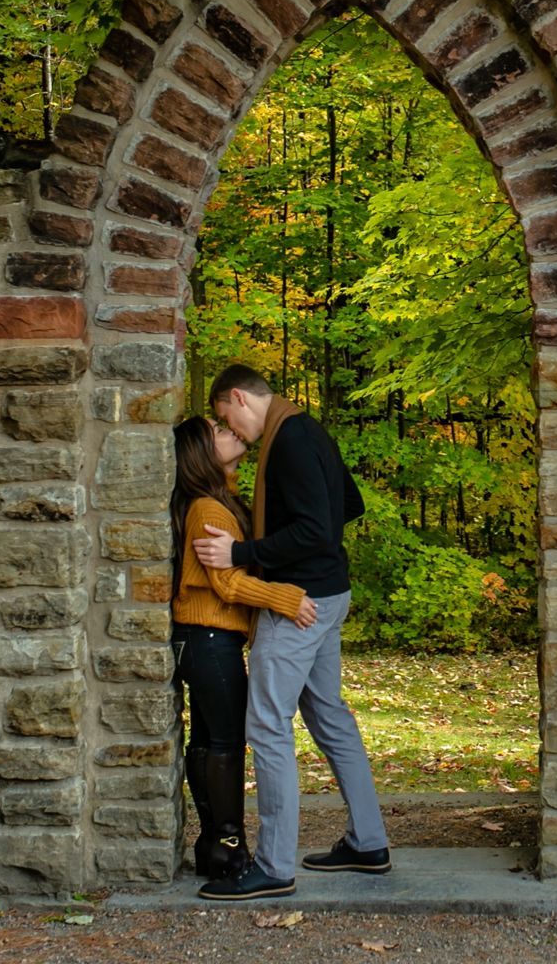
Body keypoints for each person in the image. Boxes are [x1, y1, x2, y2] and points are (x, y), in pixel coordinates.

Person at [192, 363, 390, 901]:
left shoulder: (287, 443)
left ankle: (275, 867)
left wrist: (243, 552)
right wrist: (316, 553)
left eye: (223, 414)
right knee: (329, 714)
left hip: (299, 603)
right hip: (329, 593)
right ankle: (368, 842)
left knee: (267, 725)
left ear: (237, 396)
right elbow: (350, 505)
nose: (227, 426)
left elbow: (315, 527)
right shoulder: (306, 430)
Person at [170, 415, 317, 881]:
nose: (231, 432)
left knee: (209, 741)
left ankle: (214, 846)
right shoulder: (209, 510)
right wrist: (285, 598)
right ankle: (229, 849)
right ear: (201, 453)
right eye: (218, 431)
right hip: (210, 640)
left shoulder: (217, 503)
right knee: (226, 744)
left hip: (202, 640)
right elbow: (227, 583)